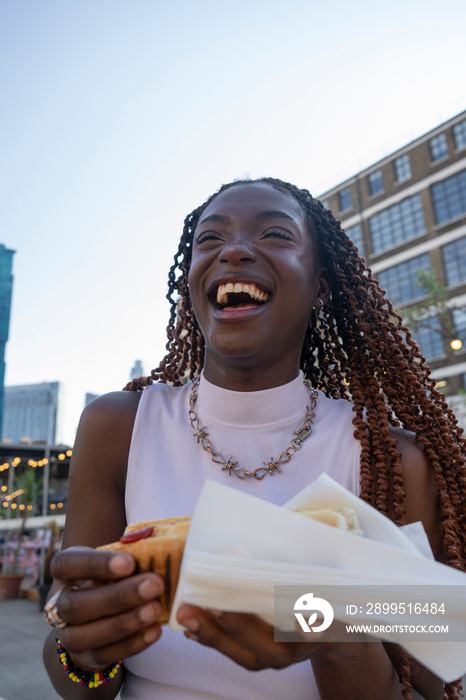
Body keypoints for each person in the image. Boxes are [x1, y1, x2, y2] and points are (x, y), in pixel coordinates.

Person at [43, 177, 466, 700]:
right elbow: (78, 681)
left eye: (275, 234)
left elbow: (435, 686)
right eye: (210, 239)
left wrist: (335, 637)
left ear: (320, 284)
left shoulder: (388, 460)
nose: (235, 250)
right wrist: (84, 648)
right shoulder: (118, 427)